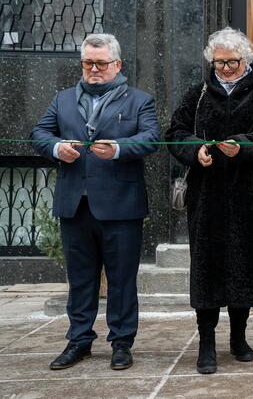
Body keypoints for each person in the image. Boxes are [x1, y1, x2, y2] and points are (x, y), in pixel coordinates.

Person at [31, 33, 160, 370]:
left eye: (101, 64)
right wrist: (58, 148)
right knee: (81, 279)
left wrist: (117, 149)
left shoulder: (139, 100)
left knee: (121, 280)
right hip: (75, 206)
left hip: (121, 206)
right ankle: (79, 341)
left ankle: (121, 343)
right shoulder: (62, 99)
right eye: (88, 63)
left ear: (117, 65)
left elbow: (150, 138)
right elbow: (39, 134)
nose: (93, 70)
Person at [165, 27, 253, 374]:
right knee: (207, 268)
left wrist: (242, 145)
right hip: (208, 199)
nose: (225, 69)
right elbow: (175, 132)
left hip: (250, 196)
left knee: (245, 265)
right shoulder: (200, 93)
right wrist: (195, 150)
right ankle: (206, 341)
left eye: (232, 62)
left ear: (246, 59)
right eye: (218, 63)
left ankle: (239, 336)